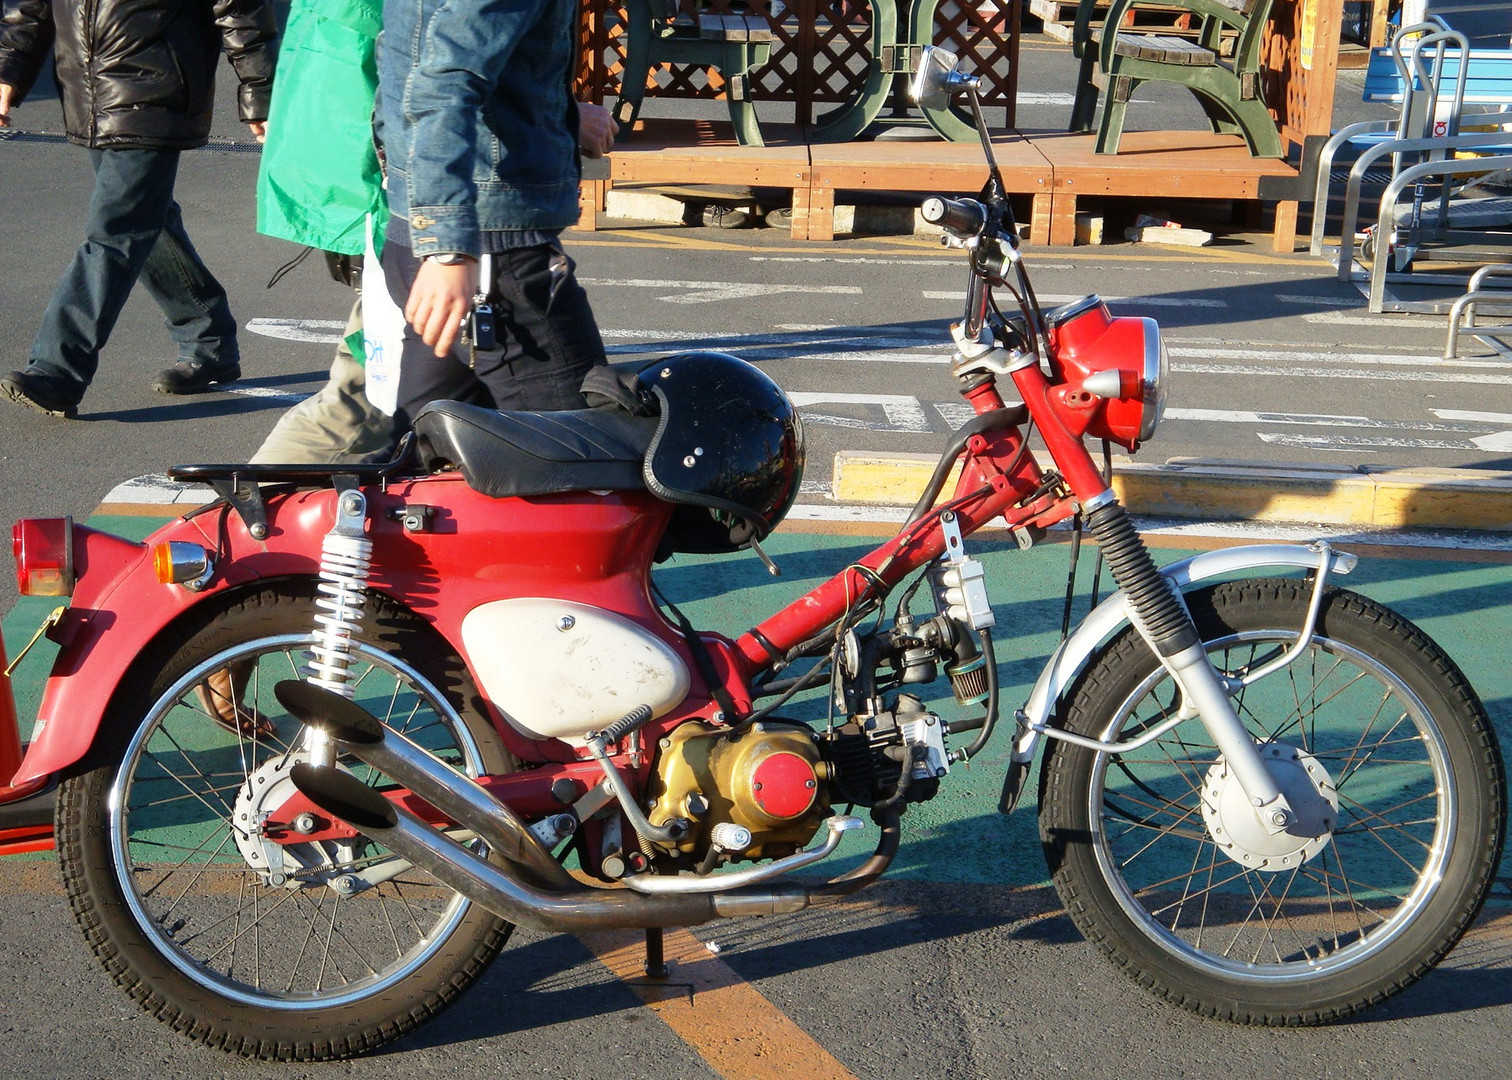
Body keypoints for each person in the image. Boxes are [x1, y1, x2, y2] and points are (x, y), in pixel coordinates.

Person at [0, 0, 278, 419]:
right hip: (89, 91)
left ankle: (57, 370)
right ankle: (209, 338)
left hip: (155, 88)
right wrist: (8, 71)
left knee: (117, 229)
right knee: (149, 220)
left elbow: (239, 7)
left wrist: (261, 92)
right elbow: (33, 8)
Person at [374, 0, 608, 431]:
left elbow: (405, 55)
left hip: (436, 237)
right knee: (582, 454)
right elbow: (443, 83)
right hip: (485, 255)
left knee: (427, 455)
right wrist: (449, 249)